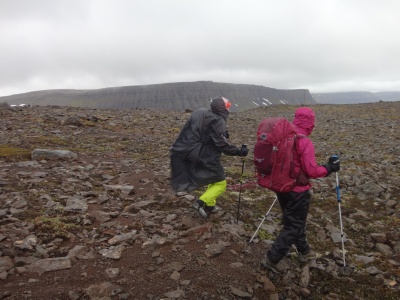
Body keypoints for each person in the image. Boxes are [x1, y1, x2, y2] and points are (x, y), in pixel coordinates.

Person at [262, 107, 340, 273]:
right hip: (298, 191)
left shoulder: (283, 135)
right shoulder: (304, 141)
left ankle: (304, 252)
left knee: (296, 223)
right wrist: (329, 168)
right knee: (293, 226)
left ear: (296, 118)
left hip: (281, 187)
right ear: (311, 123)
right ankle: (271, 259)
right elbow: (312, 171)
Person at [170, 96, 249, 219]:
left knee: (214, 179)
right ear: (222, 108)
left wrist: (222, 135)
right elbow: (222, 144)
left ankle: (210, 205)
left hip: (197, 153)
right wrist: (239, 152)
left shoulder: (206, 115)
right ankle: (200, 203)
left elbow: (208, 133)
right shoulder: (218, 120)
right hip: (208, 157)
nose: (228, 108)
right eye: (227, 106)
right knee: (221, 183)